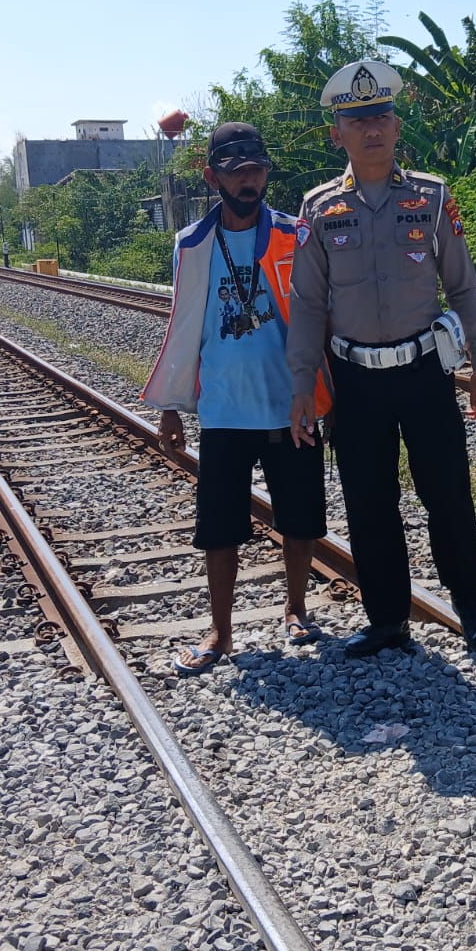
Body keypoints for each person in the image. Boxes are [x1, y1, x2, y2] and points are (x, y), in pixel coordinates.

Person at [286, 59, 476, 658]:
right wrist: (303, 382)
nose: (371, 129)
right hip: (354, 381)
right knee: (368, 500)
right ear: (338, 134)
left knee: (448, 493)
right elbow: (306, 304)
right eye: (357, 120)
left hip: (425, 374)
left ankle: (469, 605)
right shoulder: (319, 207)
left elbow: (462, 288)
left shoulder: (431, 198)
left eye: (380, 116)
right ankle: (387, 620)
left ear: (397, 124)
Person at [141, 122, 332, 673]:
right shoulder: (193, 245)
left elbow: (320, 319)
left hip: (289, 405)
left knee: (300, 520)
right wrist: (171, 405)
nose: (249, 181)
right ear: (212, 176)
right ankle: (220, 633)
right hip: (224, 411)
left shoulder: (296, 235)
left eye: (257, 169)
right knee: (219, 529)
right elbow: (183, 327)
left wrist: (328, 397)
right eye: (236, 171)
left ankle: (295, 610)